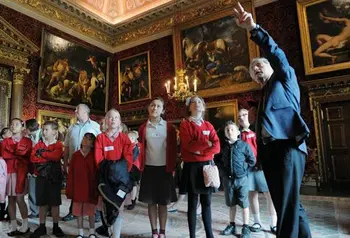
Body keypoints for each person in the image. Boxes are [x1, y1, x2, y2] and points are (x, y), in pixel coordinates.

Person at [232, 3, 311, 237]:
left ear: (269, 67)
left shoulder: (284, 78)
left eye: (259, 65)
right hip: (271, 154)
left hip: (288, 147)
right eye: (252, 69)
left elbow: (277, 54)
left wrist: (253, 28)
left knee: (286, 208)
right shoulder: (263, 94)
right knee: (290, 205)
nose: (256, 69)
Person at [179, 95, 220, 238]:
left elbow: (217, 146)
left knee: (207, 203)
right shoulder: (185, 124)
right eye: (193, 102)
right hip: (192, 168)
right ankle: (192, 236)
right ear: (189, 108)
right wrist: (207, 145)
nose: (197, 104)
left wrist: (200, 150)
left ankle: (210, 235)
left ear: (203, 106)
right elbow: (188, 146)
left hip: (206, 167)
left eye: (199, 102)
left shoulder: (208, 125)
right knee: (192, 203)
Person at [138, 97, 178, 238]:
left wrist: (172, 169)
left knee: (163, 203)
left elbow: (173, 150)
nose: (155, 108)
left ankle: (162, 231)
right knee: (151, 202)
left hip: (164, 169)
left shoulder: (169, 127)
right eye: (152, 105)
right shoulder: (143, 128)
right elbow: (140, 148)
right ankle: (154, 231)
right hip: (149, 169)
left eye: (158, 106)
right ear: (149, 108)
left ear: (163, 110)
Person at [95, 109, 133, 238]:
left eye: (116, 117)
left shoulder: (124, 138)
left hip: (120, 179)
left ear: (120, 121)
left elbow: (128, 158)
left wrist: (117, 171)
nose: (113, 120)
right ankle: (107, 229)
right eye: (110, 117)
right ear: (106, 121)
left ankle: (115, 235)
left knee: (119, 206)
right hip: (105, 178)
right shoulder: (100, 138)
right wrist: (111, 169)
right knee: (103, 204)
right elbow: (98, 158)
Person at [238, 109, 277, 233]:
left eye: (244, 115)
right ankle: (257, 222)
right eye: (239, 117)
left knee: (269, 195)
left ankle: (273, 223)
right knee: (252, 195)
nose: (242, 118)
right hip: (248, 169)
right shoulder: (238, 134)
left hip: (261, 166)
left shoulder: (258, 129)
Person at [62, 103, 101, 222]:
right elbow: (67, 146)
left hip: (91, 163)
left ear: (85, 112)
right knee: (76, 187)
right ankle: (73, 211)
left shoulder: (95, 126)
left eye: (77, 109)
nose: (75, 110)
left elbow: (100, 145)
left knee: (92, 187)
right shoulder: (71, 128)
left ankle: (96, 212)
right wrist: (65, 162)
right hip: (75, 162)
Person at [217, 121, 255, 238]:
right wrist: (223, 173)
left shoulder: (244, 146)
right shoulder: (223, 147)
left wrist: (244, 170)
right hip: (228, 180)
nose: (230, 131)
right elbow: (217, 161)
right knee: (231, 203)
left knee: (244, 204)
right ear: (225, 133)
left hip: (242, 179)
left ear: (238, 132)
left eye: (232, 129)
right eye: (227, 130)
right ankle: (232, 224)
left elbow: (252, 160)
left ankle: (245, 226)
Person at [30, 121, 65, 238]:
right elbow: (33, 158)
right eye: (43, 129)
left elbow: (56, 156)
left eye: (46, 130)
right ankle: (42, 226)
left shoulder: (58, 144)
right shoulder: (39, 144)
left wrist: (42, 154)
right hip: (41, 177)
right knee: (42, 202)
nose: (43, 132)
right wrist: (46, 156)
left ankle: (56, 226)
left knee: (55, 203)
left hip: (54, 177)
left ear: (54, 132)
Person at [1, 118, 32, 236]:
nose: (13, 126)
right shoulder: (5, 141)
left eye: (16, 124)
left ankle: (25, 225)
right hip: (9, 171)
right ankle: (13, 226)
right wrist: (17, 152)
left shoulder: (27, 141)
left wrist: (14, 153)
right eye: (12, 124)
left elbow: (26, 154)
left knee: (20, 199)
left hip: (21, 171)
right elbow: (4, 154)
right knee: (11, 200)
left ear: (22, 127)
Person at [67, 132, 98, 238]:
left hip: (90, 186)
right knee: (78, 212)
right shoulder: (76, 155)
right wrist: (70, 188)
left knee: (91, 212)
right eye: (84, 138)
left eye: (89, 139)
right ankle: (80, 232)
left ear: (93, 143)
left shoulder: (94, 155)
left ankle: (92, 232)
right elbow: (71, 172)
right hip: (78, 187)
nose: (85, 140)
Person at [25, 119, 42, 219]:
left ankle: (45, 210)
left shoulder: (43, 135)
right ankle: (35, 211)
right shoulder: (28, 137)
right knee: (32, 191)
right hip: (32, 166)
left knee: (43, 191)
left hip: (43, 167)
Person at [126, 131, 142, 210]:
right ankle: (128, 200)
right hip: (128, 167)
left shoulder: (137, 146)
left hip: (135, 167)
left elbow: (134, 158)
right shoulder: (128, 146)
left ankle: (133, 200)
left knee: (134, 185)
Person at [0, 127, 11, 221]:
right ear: (3, 136)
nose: (10, 134)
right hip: (2, 168)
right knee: (2, 192)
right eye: (8, 133)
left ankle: (8, 211)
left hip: (10, 169)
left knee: (10, 192)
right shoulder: (2, 143)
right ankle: (2, 212)